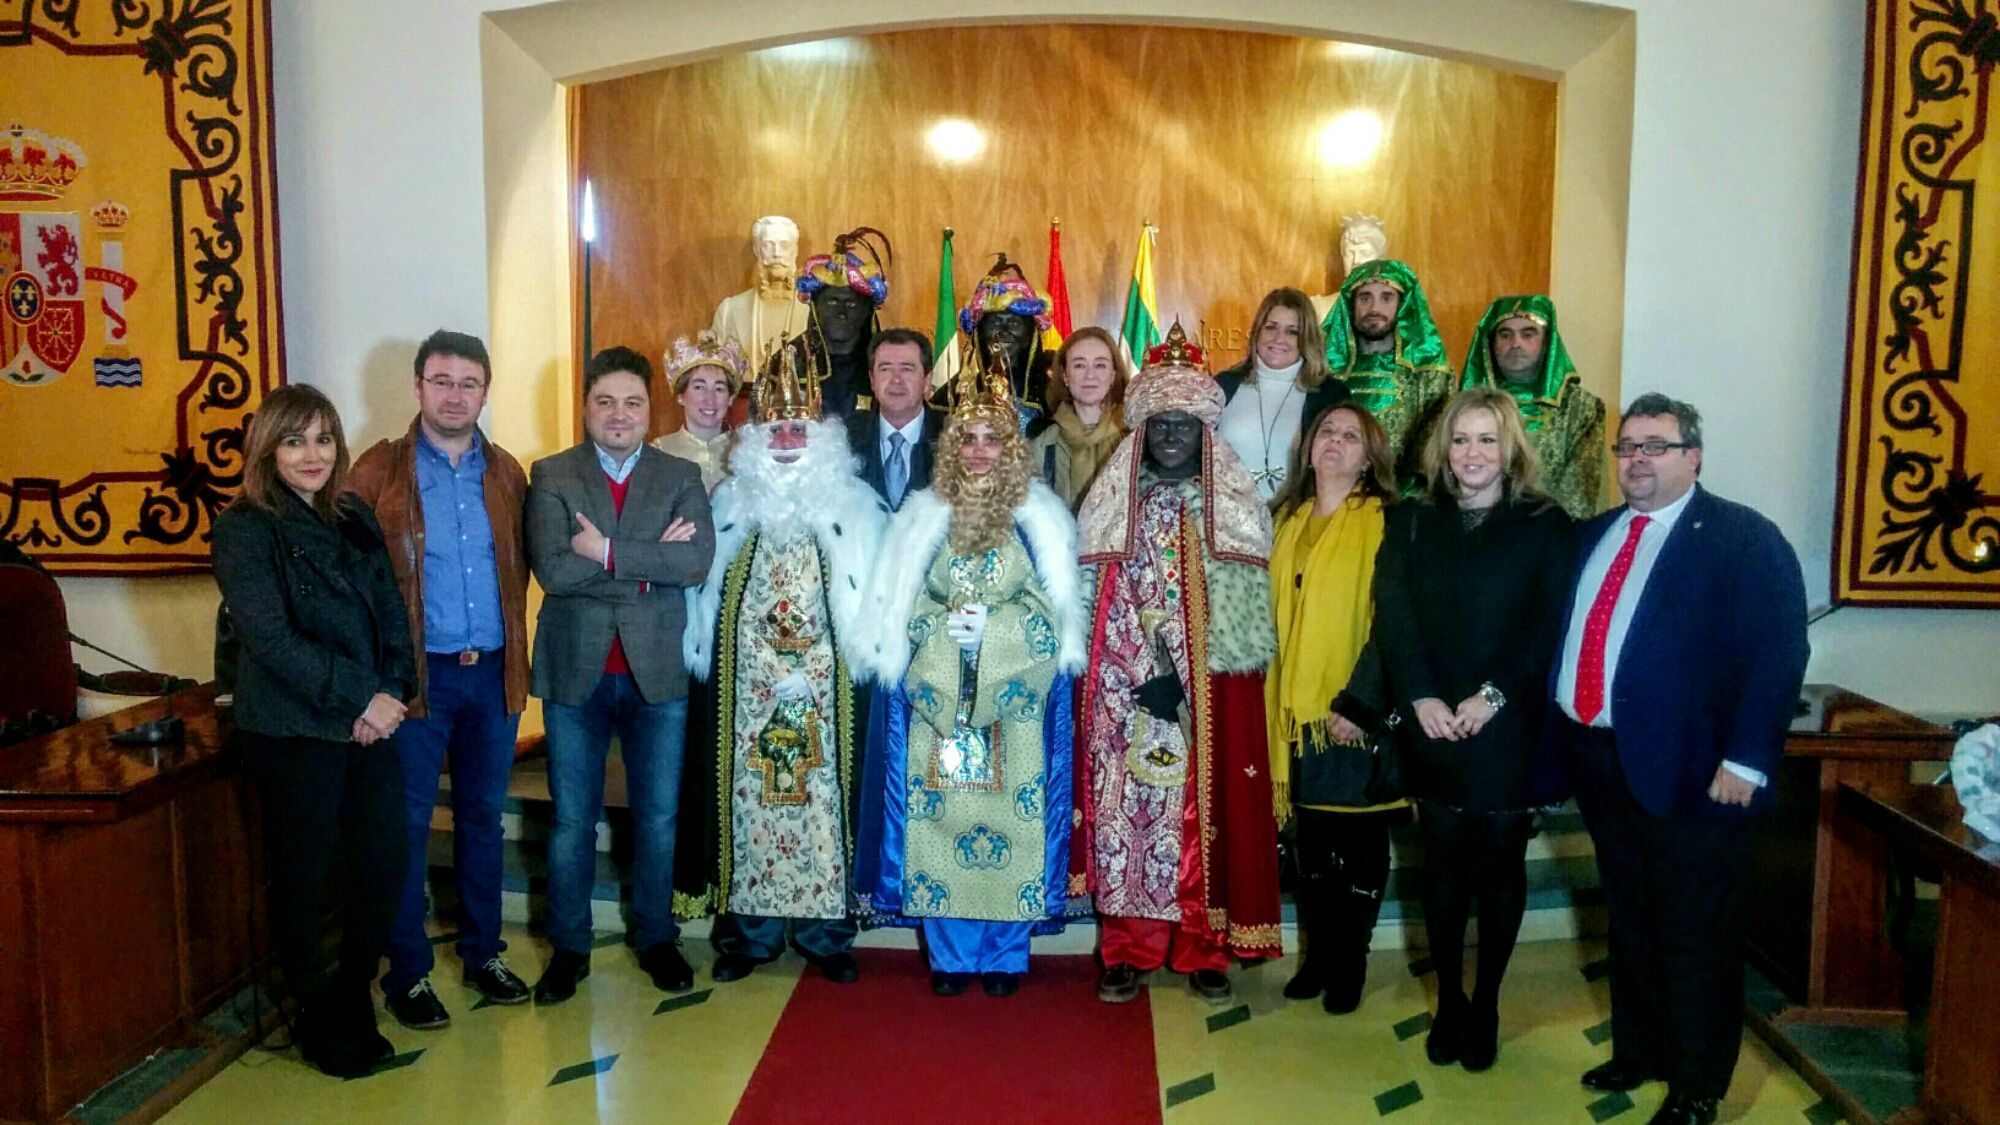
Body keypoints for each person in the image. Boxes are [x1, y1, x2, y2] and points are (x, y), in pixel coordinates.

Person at [1556, 394, 1807, 1125]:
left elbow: (1778, 655)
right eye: (1627, 446)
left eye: (1655, 446)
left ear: (1694, 455)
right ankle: (1639, 1049)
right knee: (1631, 921)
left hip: (1700, 777)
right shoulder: (1595, 534)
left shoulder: (1742, 539)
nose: (1637, 458)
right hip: (1604, 762)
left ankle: (1698, 1083)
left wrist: (1748, 761)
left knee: (1696, 932)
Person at [852, 351, 1086, 998]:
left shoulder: (1040, 520)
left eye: (993, 438)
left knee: (1011, 827)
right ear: (953, 445)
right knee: (942, 825)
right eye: (969, 438)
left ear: (1012, 447)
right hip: (938, 699)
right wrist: (937, 632)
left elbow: (1055, 616)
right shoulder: (922, 516)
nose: (980, 450)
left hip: (1016, 704)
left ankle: (1005, 956)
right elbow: (902, 608)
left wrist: (997, 632)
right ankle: (953, 955)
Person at [1075, 322, 1283, 1005]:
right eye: (1158, 420)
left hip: (1206, 702)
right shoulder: (1111, 502)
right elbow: (1092, 606)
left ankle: (1203, 944)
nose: (1169, 433)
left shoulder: (1235, 504)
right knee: (1125, 812)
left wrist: (1196, 685)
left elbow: (1246, 626)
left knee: (1201, 814)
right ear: (1139, 427)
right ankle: (1126, 948)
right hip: (1126, 694)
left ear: (1203, 429)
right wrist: (1139, 678)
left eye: (1183, 421)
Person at [211, 385, 414, 1078]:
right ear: (267, 447)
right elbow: (270, 638)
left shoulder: (351, 511)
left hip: (371, 723)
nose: (312, 454)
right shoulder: (244, 527)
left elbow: (390, 609)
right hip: (295, 730)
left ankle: (353, 997)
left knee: (381, 866)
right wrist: (360, 695)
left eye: (323, 438)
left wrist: (392, 691)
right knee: (305, 879)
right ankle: (317, 1015)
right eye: (294, 439)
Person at [672, 335, 888, 984]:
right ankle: (751, 933)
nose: (789, 441)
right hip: (748, 695)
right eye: (777, 429)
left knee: (826, 805)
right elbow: (700, 592)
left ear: (820, 435)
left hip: (828, 693)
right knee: (750, 805)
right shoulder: (728, 503)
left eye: (799, 428)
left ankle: (826, 932)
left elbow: (876, 596)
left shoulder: (860, 507)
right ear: (757, 435)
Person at [1371, 387, 1575, 1071]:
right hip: (1432, 716)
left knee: (1499, 866)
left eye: (1487, 439)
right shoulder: (1411, 519)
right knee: (1443, 865)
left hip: (1506, 720)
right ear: (1442, 447)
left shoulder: (1546, 522)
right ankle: (1450, 1000)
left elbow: (1547, 624)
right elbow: (1394, 615)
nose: (1473, 453)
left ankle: (1486, 1001)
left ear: (1511, 446)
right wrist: (1421, 695)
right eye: (1461, 439)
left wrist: (1493, 696)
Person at [349, 330, 533, 1030]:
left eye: (468, 383)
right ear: (418, 386)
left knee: (483, 820)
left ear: (485, 391)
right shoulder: (378, 472)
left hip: (491, 675)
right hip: (415, 684)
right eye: (441, 380)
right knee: (408, 827)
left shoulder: (506, 472)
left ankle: (485, 954)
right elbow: (352, 580)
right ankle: (409, 973)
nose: (454, 394)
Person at [524, 346, 715, 1004]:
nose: (618, 414)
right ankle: (568, 947)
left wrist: (604, 551)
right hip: (576, 668)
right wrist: (645, 560)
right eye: (605, 401)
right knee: (573, 820)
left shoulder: (679, 473)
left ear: (649, 410)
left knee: (658, 817)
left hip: (656, 670)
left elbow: (693, 562)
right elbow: (553, 569)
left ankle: (656, 937)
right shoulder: (551, 473)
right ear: (585, 407)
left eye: (632, 402)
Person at [1264, 402, 1405, 1016]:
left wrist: (1363, 701)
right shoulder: (1285, 518)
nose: (1336, 444)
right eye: (1328, 432)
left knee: (1360, 847)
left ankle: (1352, 959)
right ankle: (1318, 956)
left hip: (1352, 713)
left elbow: (1397, 621)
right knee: (1311, 848)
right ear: (1308, 445)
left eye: (1352, 437)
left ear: (1371, 455)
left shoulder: (1388, 521)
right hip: (1292, 711)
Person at [1460, 295, 1606, 519]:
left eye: (1528, 334)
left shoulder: (1581, 408)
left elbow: (1578, 494)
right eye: (1505, 334)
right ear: (1490, 343)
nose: (1515, 343)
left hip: (1546, 532)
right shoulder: (1461, 406)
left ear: (1547, 342)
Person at [1319, 259, 1454, 483]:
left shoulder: (1430, 374)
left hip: (1403, 499)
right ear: (1351, 305)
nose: (1374, 309)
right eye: (1365, 298)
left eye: (1386, 297)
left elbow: (1434, 445)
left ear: (1403, 304)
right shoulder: (1325, 371)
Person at [1217, 287, 1352, 501]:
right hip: (1226, 523)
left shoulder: (1330, 394)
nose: (1279, 339)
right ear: (1257, 332)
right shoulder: (1224, 385)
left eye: (1292, 331)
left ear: (1306, 338)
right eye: (1271, 327)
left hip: (1296, 522)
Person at [1025, 326, 1130, 510]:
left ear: (1113, 375)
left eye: (1100, 365)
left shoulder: (1134, 438)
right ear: (1065, 375)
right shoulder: (1042, 445)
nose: (1090, 375)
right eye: (1079, 365)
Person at [795, 227, 892, 419]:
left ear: (866, 311)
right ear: (815, 307)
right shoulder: (786, 363)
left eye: (851, 304)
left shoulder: (888, 365)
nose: (841, 313)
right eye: (832, 302)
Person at [844, 327, 945, 511]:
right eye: (885, 369)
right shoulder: (845, 439)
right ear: (872, 380)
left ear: (927, 381)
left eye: (907, 369)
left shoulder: (954, 437)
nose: (895, 380)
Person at [953, 254, 1055, 425]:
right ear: (979, 331)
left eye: (1014, 322)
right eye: (995, 322)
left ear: (1030, 333)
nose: (1004, 331)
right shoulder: (958, 391)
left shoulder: (1053, 392)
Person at [651, 329, 749, 492]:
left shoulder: (747, 450)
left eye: (719, 389)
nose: (709, 399)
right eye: (699, 387)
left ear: (730, 398)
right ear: (681, 396)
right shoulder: (658, 453)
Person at [711, 215, 810, 373]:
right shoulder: (728, 311)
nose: (776, 254)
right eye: (767, 245)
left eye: (784, 245)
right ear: (757, 250)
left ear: (795, 251)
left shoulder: (814, 311)